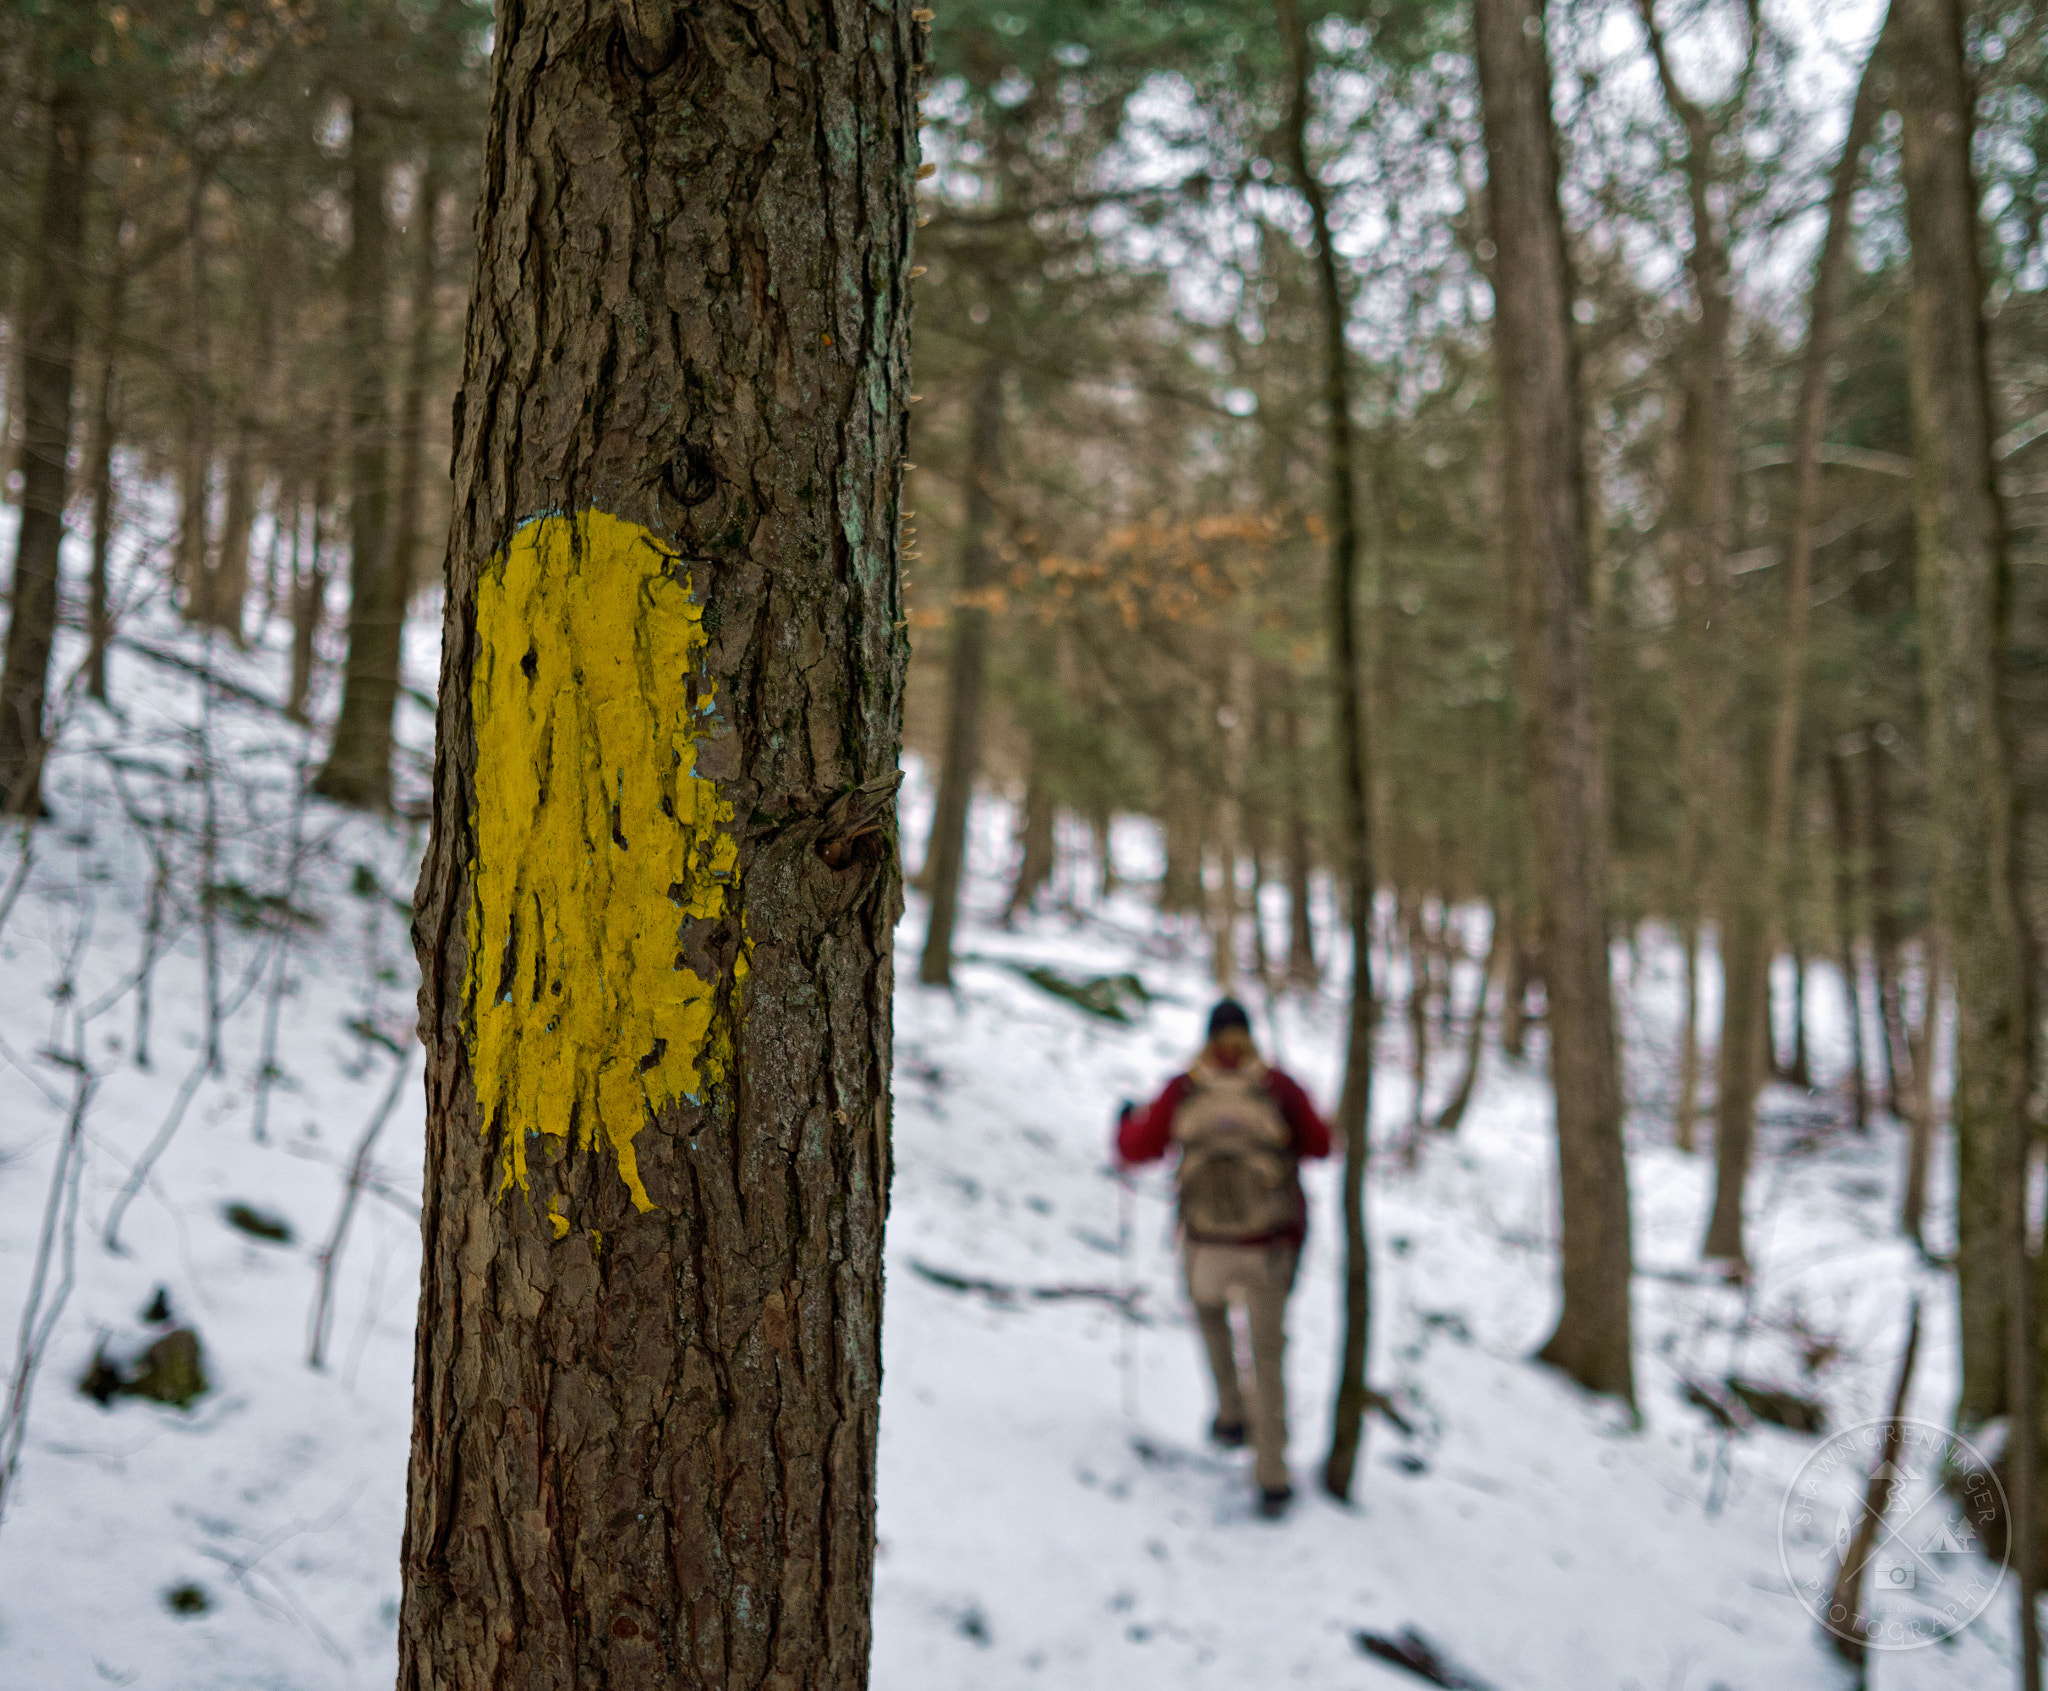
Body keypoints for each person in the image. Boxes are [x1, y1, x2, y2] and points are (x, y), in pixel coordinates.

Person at [1116, 998, 1331, 1517]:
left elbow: (1136, 1149)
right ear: (1250, 1035)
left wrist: (1125, 1121)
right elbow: (1321, 1145)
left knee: (1211, 1318)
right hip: (1267, 1247)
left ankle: (1232, 1414)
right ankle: (1272, 1476)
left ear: (1208, 1036)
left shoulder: (1186, 1088)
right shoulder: (1276, 1087)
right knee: (1268, 1357)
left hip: (1205, 1244)